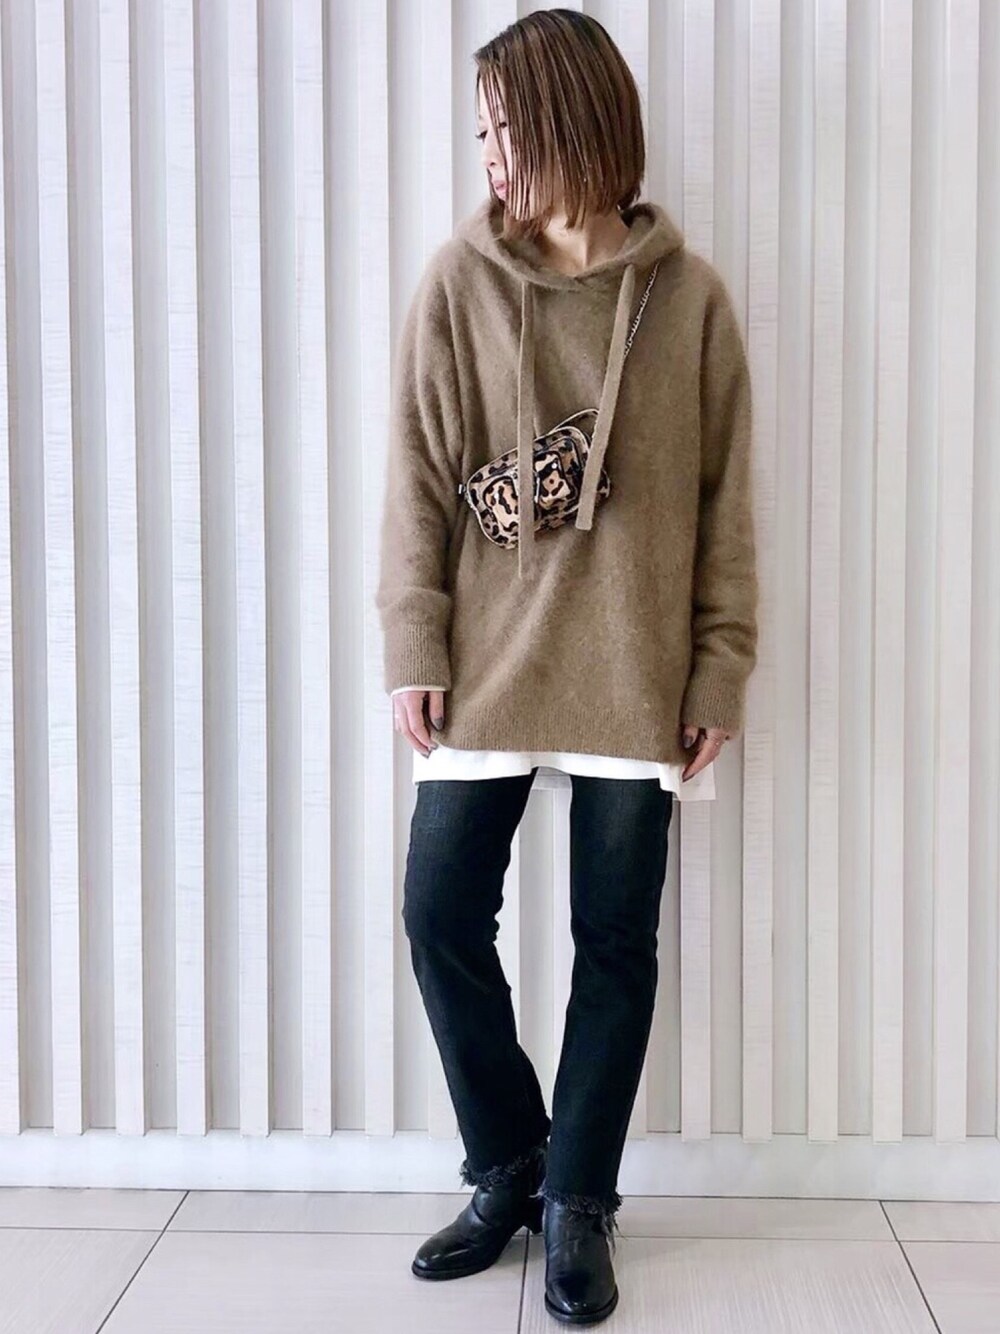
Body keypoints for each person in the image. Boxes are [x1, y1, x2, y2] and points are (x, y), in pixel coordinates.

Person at [376, 9, 758, 1325]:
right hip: (488, 656)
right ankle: (511, 1166)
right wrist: (414, 641)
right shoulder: (459, 283)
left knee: (615, 941)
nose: (488, 156)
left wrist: (718, 670)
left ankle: (579, 1199)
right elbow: (416, 478)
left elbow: (724, 505)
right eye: (479, 131)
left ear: (573, 124)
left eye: (506, 129)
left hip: (635, 662)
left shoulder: (689, 301)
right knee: (438, 913)